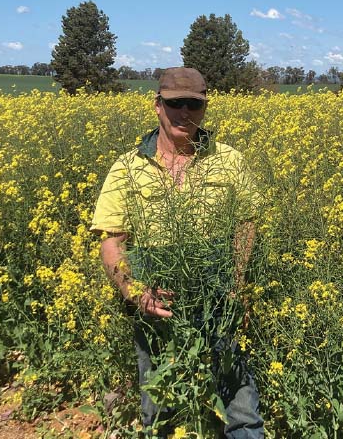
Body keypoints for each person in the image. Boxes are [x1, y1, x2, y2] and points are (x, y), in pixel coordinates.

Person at [90, 67, 264, 438]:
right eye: (175, 104)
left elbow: (247, 223)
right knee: (161, 405)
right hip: (155, 295)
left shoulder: (230, 159)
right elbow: (111, 240)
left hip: (220, 290)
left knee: (240, 405)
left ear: (205, 108)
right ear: (157, 106)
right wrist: (133, 291)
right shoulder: (127, 167)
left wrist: (237, 282)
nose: (185, 113)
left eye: (194, 105)